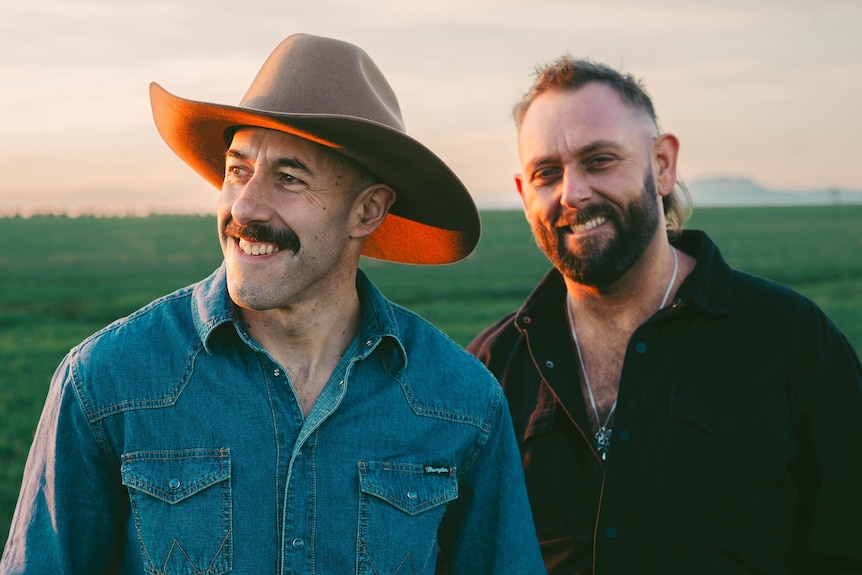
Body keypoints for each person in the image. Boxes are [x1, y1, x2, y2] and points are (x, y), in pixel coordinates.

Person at [0, 34, 546, 574]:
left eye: (288, 178)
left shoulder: (461, 403)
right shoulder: (106, 383)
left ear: (367, 212)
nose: (245, 204)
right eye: (237, 169)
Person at [468, 55, 862, 574]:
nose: (573, 192)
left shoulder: (792, 340)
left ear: (662, 165)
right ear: (524, 195)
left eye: (600, 160)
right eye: (547, 173)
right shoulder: (488, 372)